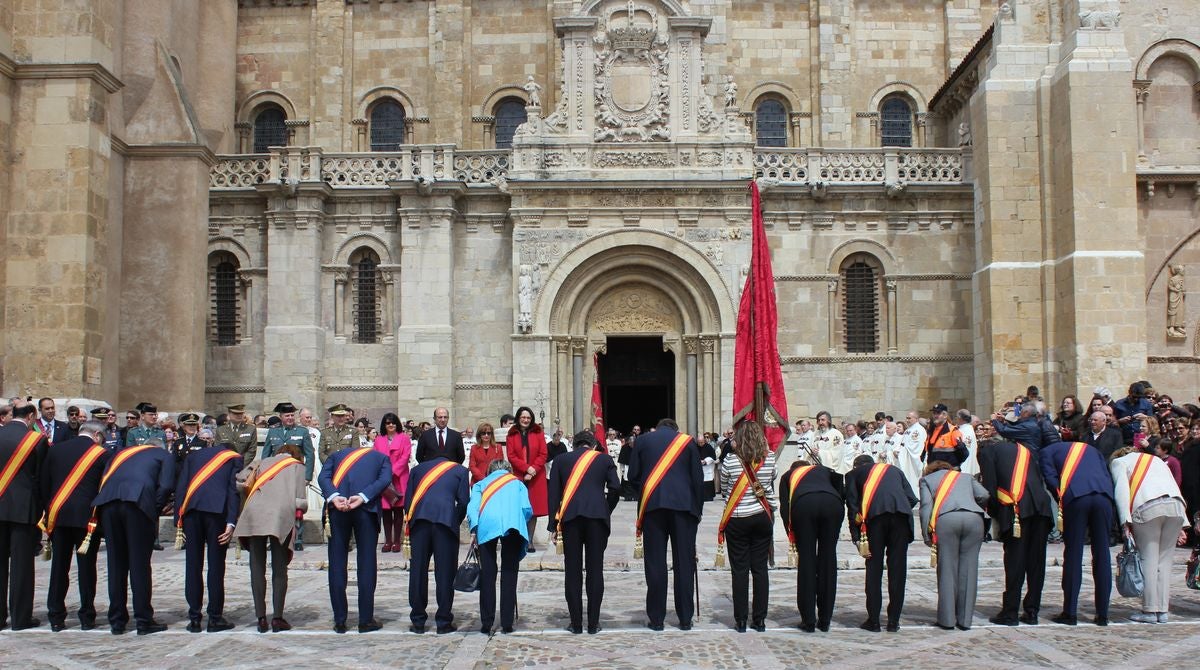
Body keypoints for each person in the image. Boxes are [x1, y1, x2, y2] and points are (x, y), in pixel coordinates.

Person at [627, 417, 704, 631]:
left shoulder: (642, 441)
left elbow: (632, 475)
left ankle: (657, 619)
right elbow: (698, 480)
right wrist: (697, 511)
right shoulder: (687, 441)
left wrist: (645, 491)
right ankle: (685, 618)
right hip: (684, 508)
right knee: (684, 564)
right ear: (675, 429)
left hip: (653, 508)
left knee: (655, 563)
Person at [92, 434, 174, 634]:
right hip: (137, 504)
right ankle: (143, 620)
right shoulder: (163, 455)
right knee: (139, 564)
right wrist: (153, 510)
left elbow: (104, 479)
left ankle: (117, 621)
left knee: (116, 564)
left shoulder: (120, 453)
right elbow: (166, 486)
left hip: (108, 504)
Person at [547, 430, 621, 634]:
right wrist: (606, 509)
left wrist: (553, 526)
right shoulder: (604, 459)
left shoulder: (561, 460)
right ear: (593, 445)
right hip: (597, 518)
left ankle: (576, 623)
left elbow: (553, 494)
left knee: (572, 571)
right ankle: (594, 623)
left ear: (574, 445)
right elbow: (615, 488)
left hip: (570, 519)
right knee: (595, 570)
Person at [40, 418, 110, 631]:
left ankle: (56, 616)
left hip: (58, 516)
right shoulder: (101, 454)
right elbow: (103, 488)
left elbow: (44, 483)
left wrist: (49, 511)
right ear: (97, 436)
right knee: (87, 568)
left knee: (59, 567)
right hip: (87, 518)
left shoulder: (56, 450)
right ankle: (87, 616)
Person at [317, 438, 392, 633]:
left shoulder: (335, 456)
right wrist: (364, 496)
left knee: (336, 563)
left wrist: (334, 496)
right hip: (365, 509)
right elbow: (385, 480)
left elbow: (322, 478)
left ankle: (340, 620)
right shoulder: (380, 458)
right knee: (366, 563)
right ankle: (365, 620)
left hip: (337, 509)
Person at [978, 432, 1053, 626]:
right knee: (1036, 562)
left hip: (1016, 510)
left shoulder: (987, 452)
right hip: (1041, 508)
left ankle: (1010, 612)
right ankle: (1032, 611)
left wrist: (994, 516)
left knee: (1015, 561)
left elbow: (990, 487)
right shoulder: (1023, 450)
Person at [233, 443, 308, 633]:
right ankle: (277, 618)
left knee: (257, 567)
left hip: (254, 512)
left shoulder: (261, 462)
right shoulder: (297, 466)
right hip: (280, 515)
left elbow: (240, 480)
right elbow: (300, 501)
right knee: (279, 568)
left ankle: (260, 618)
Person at [1038, 440, 1115, 626]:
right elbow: (1106, 473)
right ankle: (1103, 614)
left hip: (1076, 495)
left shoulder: (1046, 451)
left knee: (1073, 553)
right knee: (1103, 553)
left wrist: (1061, 500)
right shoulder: (1091, 448)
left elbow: (1050, 479)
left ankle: (1070, 611)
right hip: (1104, 495)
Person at [1111, 446, 1189, 623]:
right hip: (1176, 506)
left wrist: (1125, 521)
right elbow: (1173, 486)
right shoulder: (1157, 460)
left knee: (1148, 559)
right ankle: (1162, 611)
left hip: (1147, 506)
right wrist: (1184, 523)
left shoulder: (1119, 462)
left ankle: (1149, 611)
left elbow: (1121, 490)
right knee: (1165, 562)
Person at [174, 429, 242, 633]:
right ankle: (215, 617)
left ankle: (194, 617)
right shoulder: (234, 458)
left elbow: (182, 487)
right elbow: (233, 490)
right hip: (216, 513)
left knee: (193, 565)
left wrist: (179, 521)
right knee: (215, 566)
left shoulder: (193, 456)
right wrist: (231, 522)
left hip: (192, 512)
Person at [845, 454, 917, 633]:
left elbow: (853, 507)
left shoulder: (854, 474)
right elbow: (912, 498)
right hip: (901, 518)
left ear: (856, 466)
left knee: (874, 569)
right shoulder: (894, 470)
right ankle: (893, 621)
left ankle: (874, 620)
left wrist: (857, 538)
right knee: (898, 570)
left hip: (875, 521)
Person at [718, 421, 777, 633]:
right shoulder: (769, 458)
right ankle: (759, 620)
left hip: (738, 517)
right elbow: (771, 480)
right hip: (762, 515)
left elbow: (724, 489)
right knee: (760, 569)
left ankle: (741, 619)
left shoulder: (731, 461)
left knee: (740, 570)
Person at [919, 461, 989, 630]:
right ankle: (965, 620)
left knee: (947, 569)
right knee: (969, 569)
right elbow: (984, 494)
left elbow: (926, 506)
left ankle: (947, 619)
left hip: (947, 520)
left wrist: (926, 533)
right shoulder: (966, 477)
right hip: (974, 519)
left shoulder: (927, 480)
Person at [780, 443, 844, 633]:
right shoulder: (824, 470)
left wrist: (792, 535)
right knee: (828, 560)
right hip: (833, 503)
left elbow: (785, 508)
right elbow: (840, 486)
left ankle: (808, 620)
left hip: (804, 505)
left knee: (807, 561)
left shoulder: (788, 476)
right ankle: (825, 619)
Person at [405, 452, 470, 635]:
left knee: (418, 572)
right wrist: (453, 520)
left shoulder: (417, 470)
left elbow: (408, 501)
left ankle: (418, 621)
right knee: (445, 574)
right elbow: (464, 502)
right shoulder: (460, 471)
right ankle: (443, 621)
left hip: (419, 523)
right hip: (445, 523)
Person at [0, 400, 50, 630]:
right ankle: (20, 618)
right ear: (31, 416)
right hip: (23, 509)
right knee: (21, 566)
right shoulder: (36, 439)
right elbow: (41, 478)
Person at [468, 459, 532, 634]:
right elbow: (527, 508)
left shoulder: (481, 484)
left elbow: (473, 508)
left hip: (487, 525)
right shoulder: (517, 484)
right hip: (512, 526)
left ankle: (486, 622)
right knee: (509, 573)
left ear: (490, 470)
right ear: (508, 469)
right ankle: (507, 622)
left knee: (487, 574)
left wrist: (474, 529)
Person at [263, 402, 316, 551]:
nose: (290, 418)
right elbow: (266, 454)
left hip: (296, 475)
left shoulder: (302, 431)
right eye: (287, 415)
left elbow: (309, 455)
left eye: (292, 415)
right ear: (281, 417)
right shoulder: (273, 432)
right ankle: (274, 536)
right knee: (275, 508)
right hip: (276, 476)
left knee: (297, 507)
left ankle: (297, 538)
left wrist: (307, 476)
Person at [505, 406, 548, 551]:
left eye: (528, 418)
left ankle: (529, 541)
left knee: (533, 509)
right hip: (519, 475)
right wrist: (526, 468)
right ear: (518, 418)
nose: (525, 420)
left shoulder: (538, 433)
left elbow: (543, 454)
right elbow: (511, 456)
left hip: (536, 476)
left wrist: (533, 469)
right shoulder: (511, 434)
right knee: (520, 508)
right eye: (523, 417)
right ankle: (519, 539)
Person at [374, 412, 411, 552]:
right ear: (384, 425)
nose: (390, 425)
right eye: (388, 423)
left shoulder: (404, 438)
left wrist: (393, 471)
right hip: (384, 479)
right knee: (386, 512)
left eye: (393, 422)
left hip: (399, 478)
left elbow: (405, 456)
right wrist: (385, 473)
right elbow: (375, 457)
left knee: (398, 510)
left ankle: (397, 541)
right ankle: (387, 540)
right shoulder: (379, 440)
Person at [924, 404, 966, 468]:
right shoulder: (931, 431)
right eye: (934, 413)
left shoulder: (952, 430)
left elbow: (964, 453)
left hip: (949, 472)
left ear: (945, 415)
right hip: (934, 471)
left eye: (938, 413)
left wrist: (954, 465)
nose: (935, 416)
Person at [697, 432, 718, 502]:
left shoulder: (709, 447)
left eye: (702, 442)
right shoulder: (695, 447)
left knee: (708, 483)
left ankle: (709, 497)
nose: (700, 444)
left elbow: (713, 457)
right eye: (699, 442)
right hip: (699, 468)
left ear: (704, 441)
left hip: (708, 468)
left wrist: (706, 461)